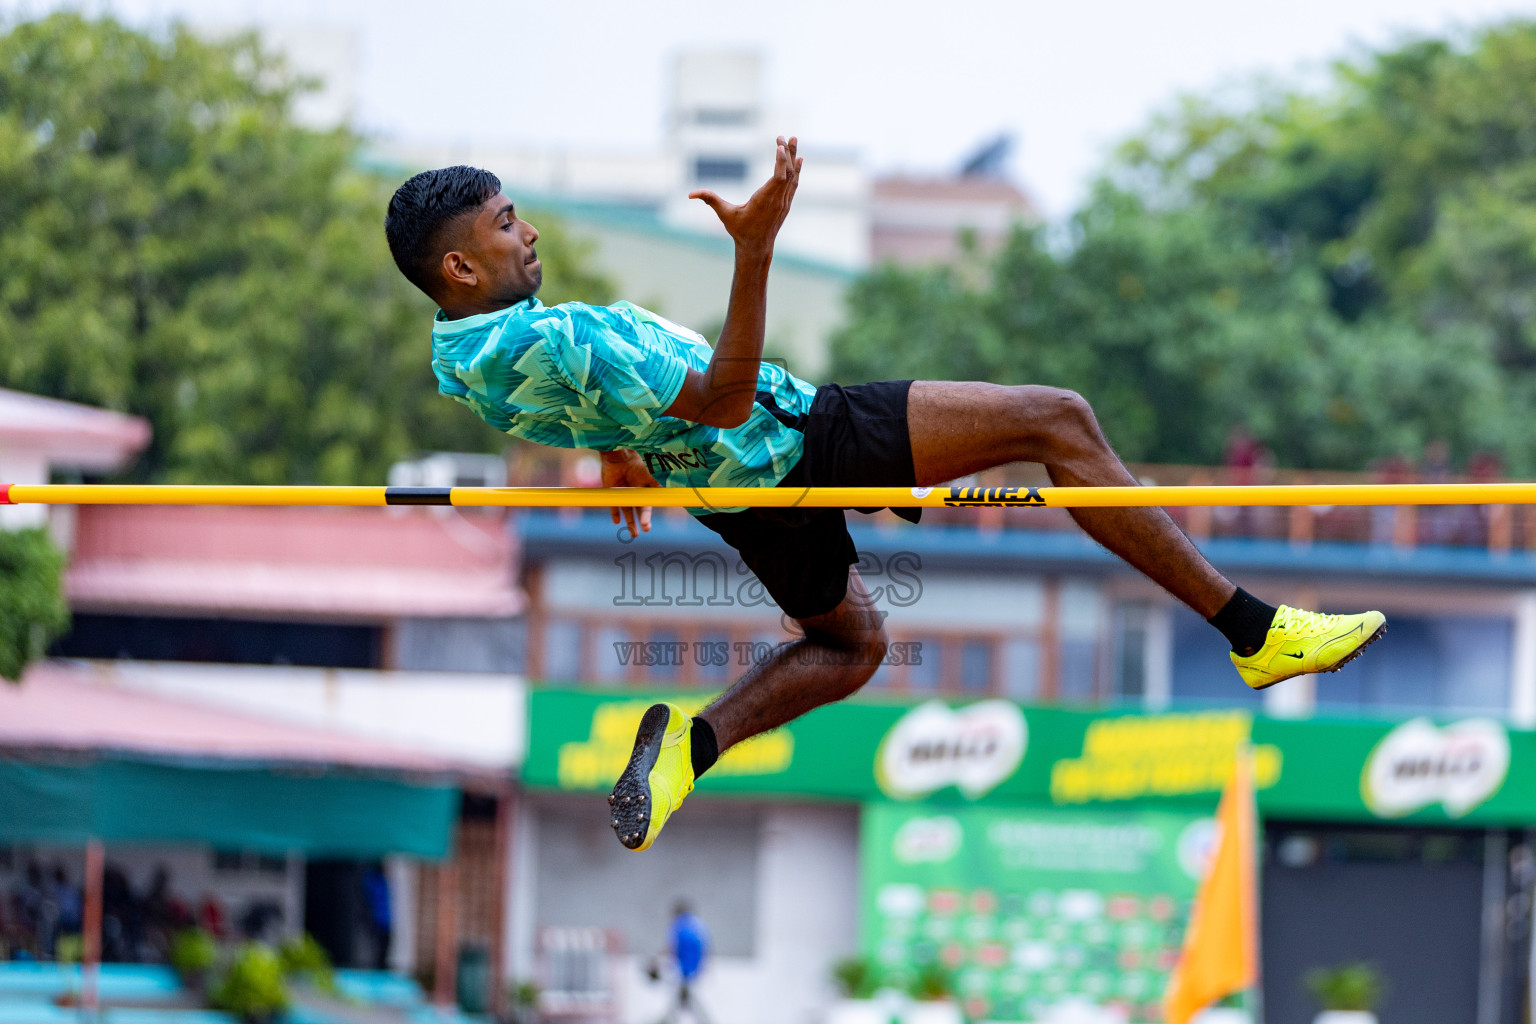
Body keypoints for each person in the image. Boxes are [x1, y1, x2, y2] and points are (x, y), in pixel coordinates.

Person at [384, 138, 1388, 854]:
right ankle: (1255, 630)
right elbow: (727, 396)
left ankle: (694, 746)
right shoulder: (573, 333)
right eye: (506, 223)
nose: (529, 232)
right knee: (1059, 421)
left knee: (852, 645)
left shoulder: (456, 357)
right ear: (462, 262)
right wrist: (755, 248)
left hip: (733, 501)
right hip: (798, 437)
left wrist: (620, 448)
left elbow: (577, 404)